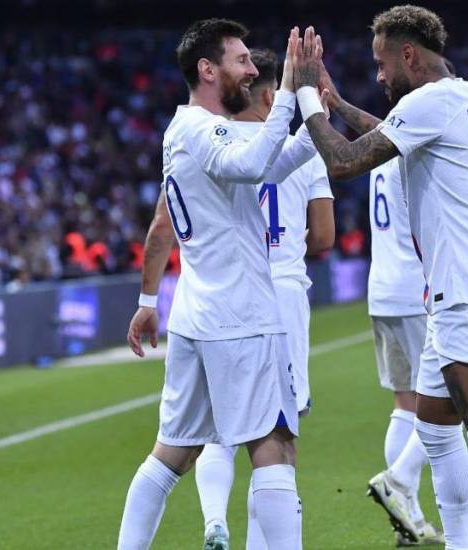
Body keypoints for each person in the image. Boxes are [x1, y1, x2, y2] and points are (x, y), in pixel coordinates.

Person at [289, 8, 468, 548]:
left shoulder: (428, 103)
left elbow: (343, 162)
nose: (378, 76)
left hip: (465, 287)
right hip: (462, 286)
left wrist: (305, 96)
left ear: (408, 54)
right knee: (437, 433)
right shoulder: (463, 96)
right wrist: (337, 105)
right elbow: (391, 133)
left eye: (381, 64)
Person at [118, 21, 319, 549]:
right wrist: (288, 93)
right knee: (274, 446)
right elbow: (251, 164)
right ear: (208, 70)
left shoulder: (186, 131)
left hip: (198, 313)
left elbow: (271, 166)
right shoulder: (202, 129)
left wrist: (314, 113)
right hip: (241, 316)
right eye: (242, 60)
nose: (252, 71)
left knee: (173, 452)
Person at [191, 48, 334, 550]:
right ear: (274, 96)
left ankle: (214, 519)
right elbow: (324, 237)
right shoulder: (301, 148)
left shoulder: (214, 143)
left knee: (218, 427)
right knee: (275, 438)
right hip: (282, 293)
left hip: (224, 293)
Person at [367, 156, 443, 547]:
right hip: (416, 291)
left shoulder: (379, 150)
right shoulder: (412, 147)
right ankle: (398, 480)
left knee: (405, 403)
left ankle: (410, 518)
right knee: (447, 400)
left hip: (382, 289)